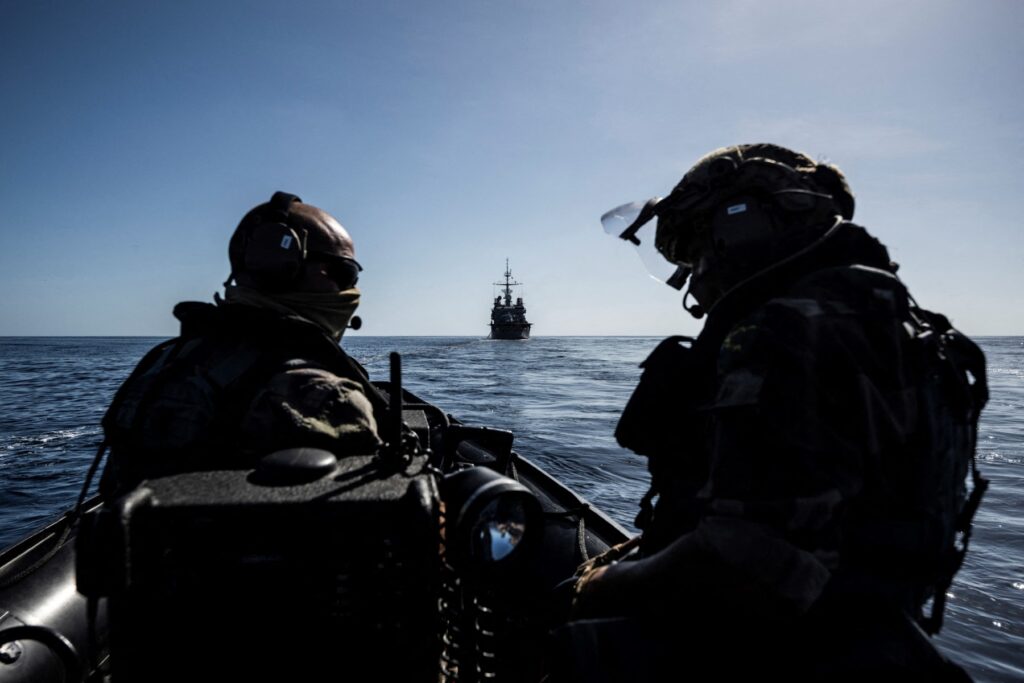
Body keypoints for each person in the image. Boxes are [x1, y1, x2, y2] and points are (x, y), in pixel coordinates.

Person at [561, 144, 988, 681]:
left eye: (698, 253)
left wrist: (600, 584)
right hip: (875, 634)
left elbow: (749, 565)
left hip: (777, 650)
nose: (694, 281)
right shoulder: (897, 322)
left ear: (739, 228)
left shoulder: (790, 330)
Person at [99, 191, 384, 495]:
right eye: (346, 272)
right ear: (285, 267)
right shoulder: (325, 398)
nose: (351, 289)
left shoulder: (165, 360)